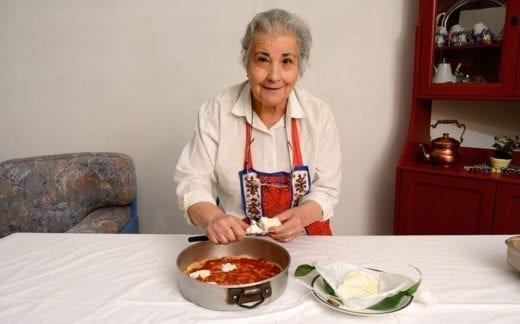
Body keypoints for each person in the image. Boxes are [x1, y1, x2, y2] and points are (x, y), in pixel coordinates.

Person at [174, 8, 341, 244]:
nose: (274, 75)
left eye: (286, 61)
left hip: (304, 237)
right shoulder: (217, 112)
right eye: (262, 59)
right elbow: (192, 179)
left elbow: (327, 189)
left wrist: (302, 216)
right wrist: (213, 218)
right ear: (247, 62)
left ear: (299, 68)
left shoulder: (319, 115)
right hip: (238, 240)